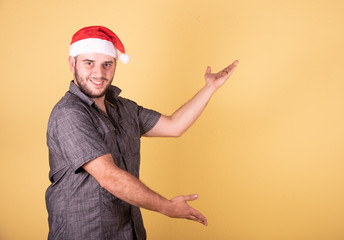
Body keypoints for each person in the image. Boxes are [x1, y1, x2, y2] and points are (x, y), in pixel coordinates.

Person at [45, 25, 238, 240]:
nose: (98, 73)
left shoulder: (124, 108)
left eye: (107, 64)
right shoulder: (69, 114)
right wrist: (167, 207)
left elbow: (174, 125)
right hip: (84, 232)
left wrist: (209, 88)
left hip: (128, 231)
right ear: (73, 63)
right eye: (89, 63)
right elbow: (109, 176)